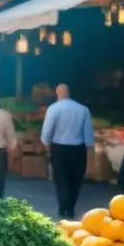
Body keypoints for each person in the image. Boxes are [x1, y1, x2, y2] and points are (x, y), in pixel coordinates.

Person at [40, 83, 95, 219]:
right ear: (68, 92)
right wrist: (89, 146)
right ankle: (70, 206)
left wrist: (45, 142)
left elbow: (47, 130)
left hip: (59, 148)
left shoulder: (53, 109)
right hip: (78, 150)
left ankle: (63, 207)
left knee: (60, 179)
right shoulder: (83, 109)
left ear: (57, 93)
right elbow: (88, 133)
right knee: (75, 179)